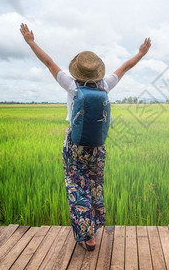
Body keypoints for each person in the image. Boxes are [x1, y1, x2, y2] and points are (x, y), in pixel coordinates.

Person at [20, 23, 151, 250]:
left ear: (77, 71)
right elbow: (125, 67)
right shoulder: (104, 86)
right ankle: (94, 228)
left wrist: (31, 42)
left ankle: (88, 237)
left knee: (76, 187)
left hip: (74, 146)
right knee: (95, 185)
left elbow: (49, 63)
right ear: (97, 71)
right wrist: (141, 53)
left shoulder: (71, 86)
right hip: (97, 147)